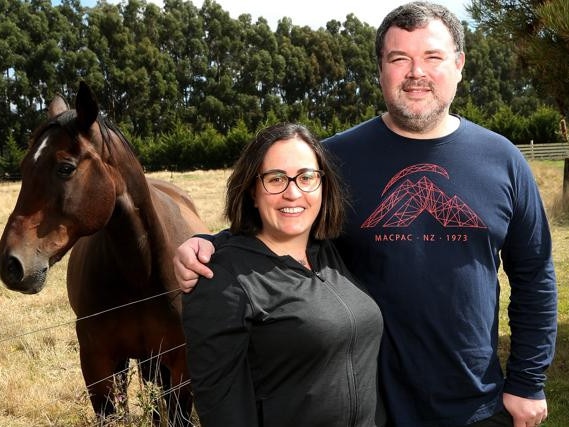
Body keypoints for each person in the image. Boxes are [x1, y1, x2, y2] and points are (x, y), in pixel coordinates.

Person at [174, 2, 558, 426]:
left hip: (478, 405)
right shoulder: (337, 159)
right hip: (373, 408)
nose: (416, 72)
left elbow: (535, 273)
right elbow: (283, 218)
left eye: (432, 57)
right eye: (399, 59)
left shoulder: (502, 160)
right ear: (380, 69)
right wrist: (212, 245)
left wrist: (527, 380)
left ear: (459, 64)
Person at [181, 122, 386, 426]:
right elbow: (222, 409)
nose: (293, 193)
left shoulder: (329, 253)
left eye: (306, 177)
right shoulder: (223, 280)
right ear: (252, 190)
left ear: (323, 185)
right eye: (276, 179)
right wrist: (212, 243)